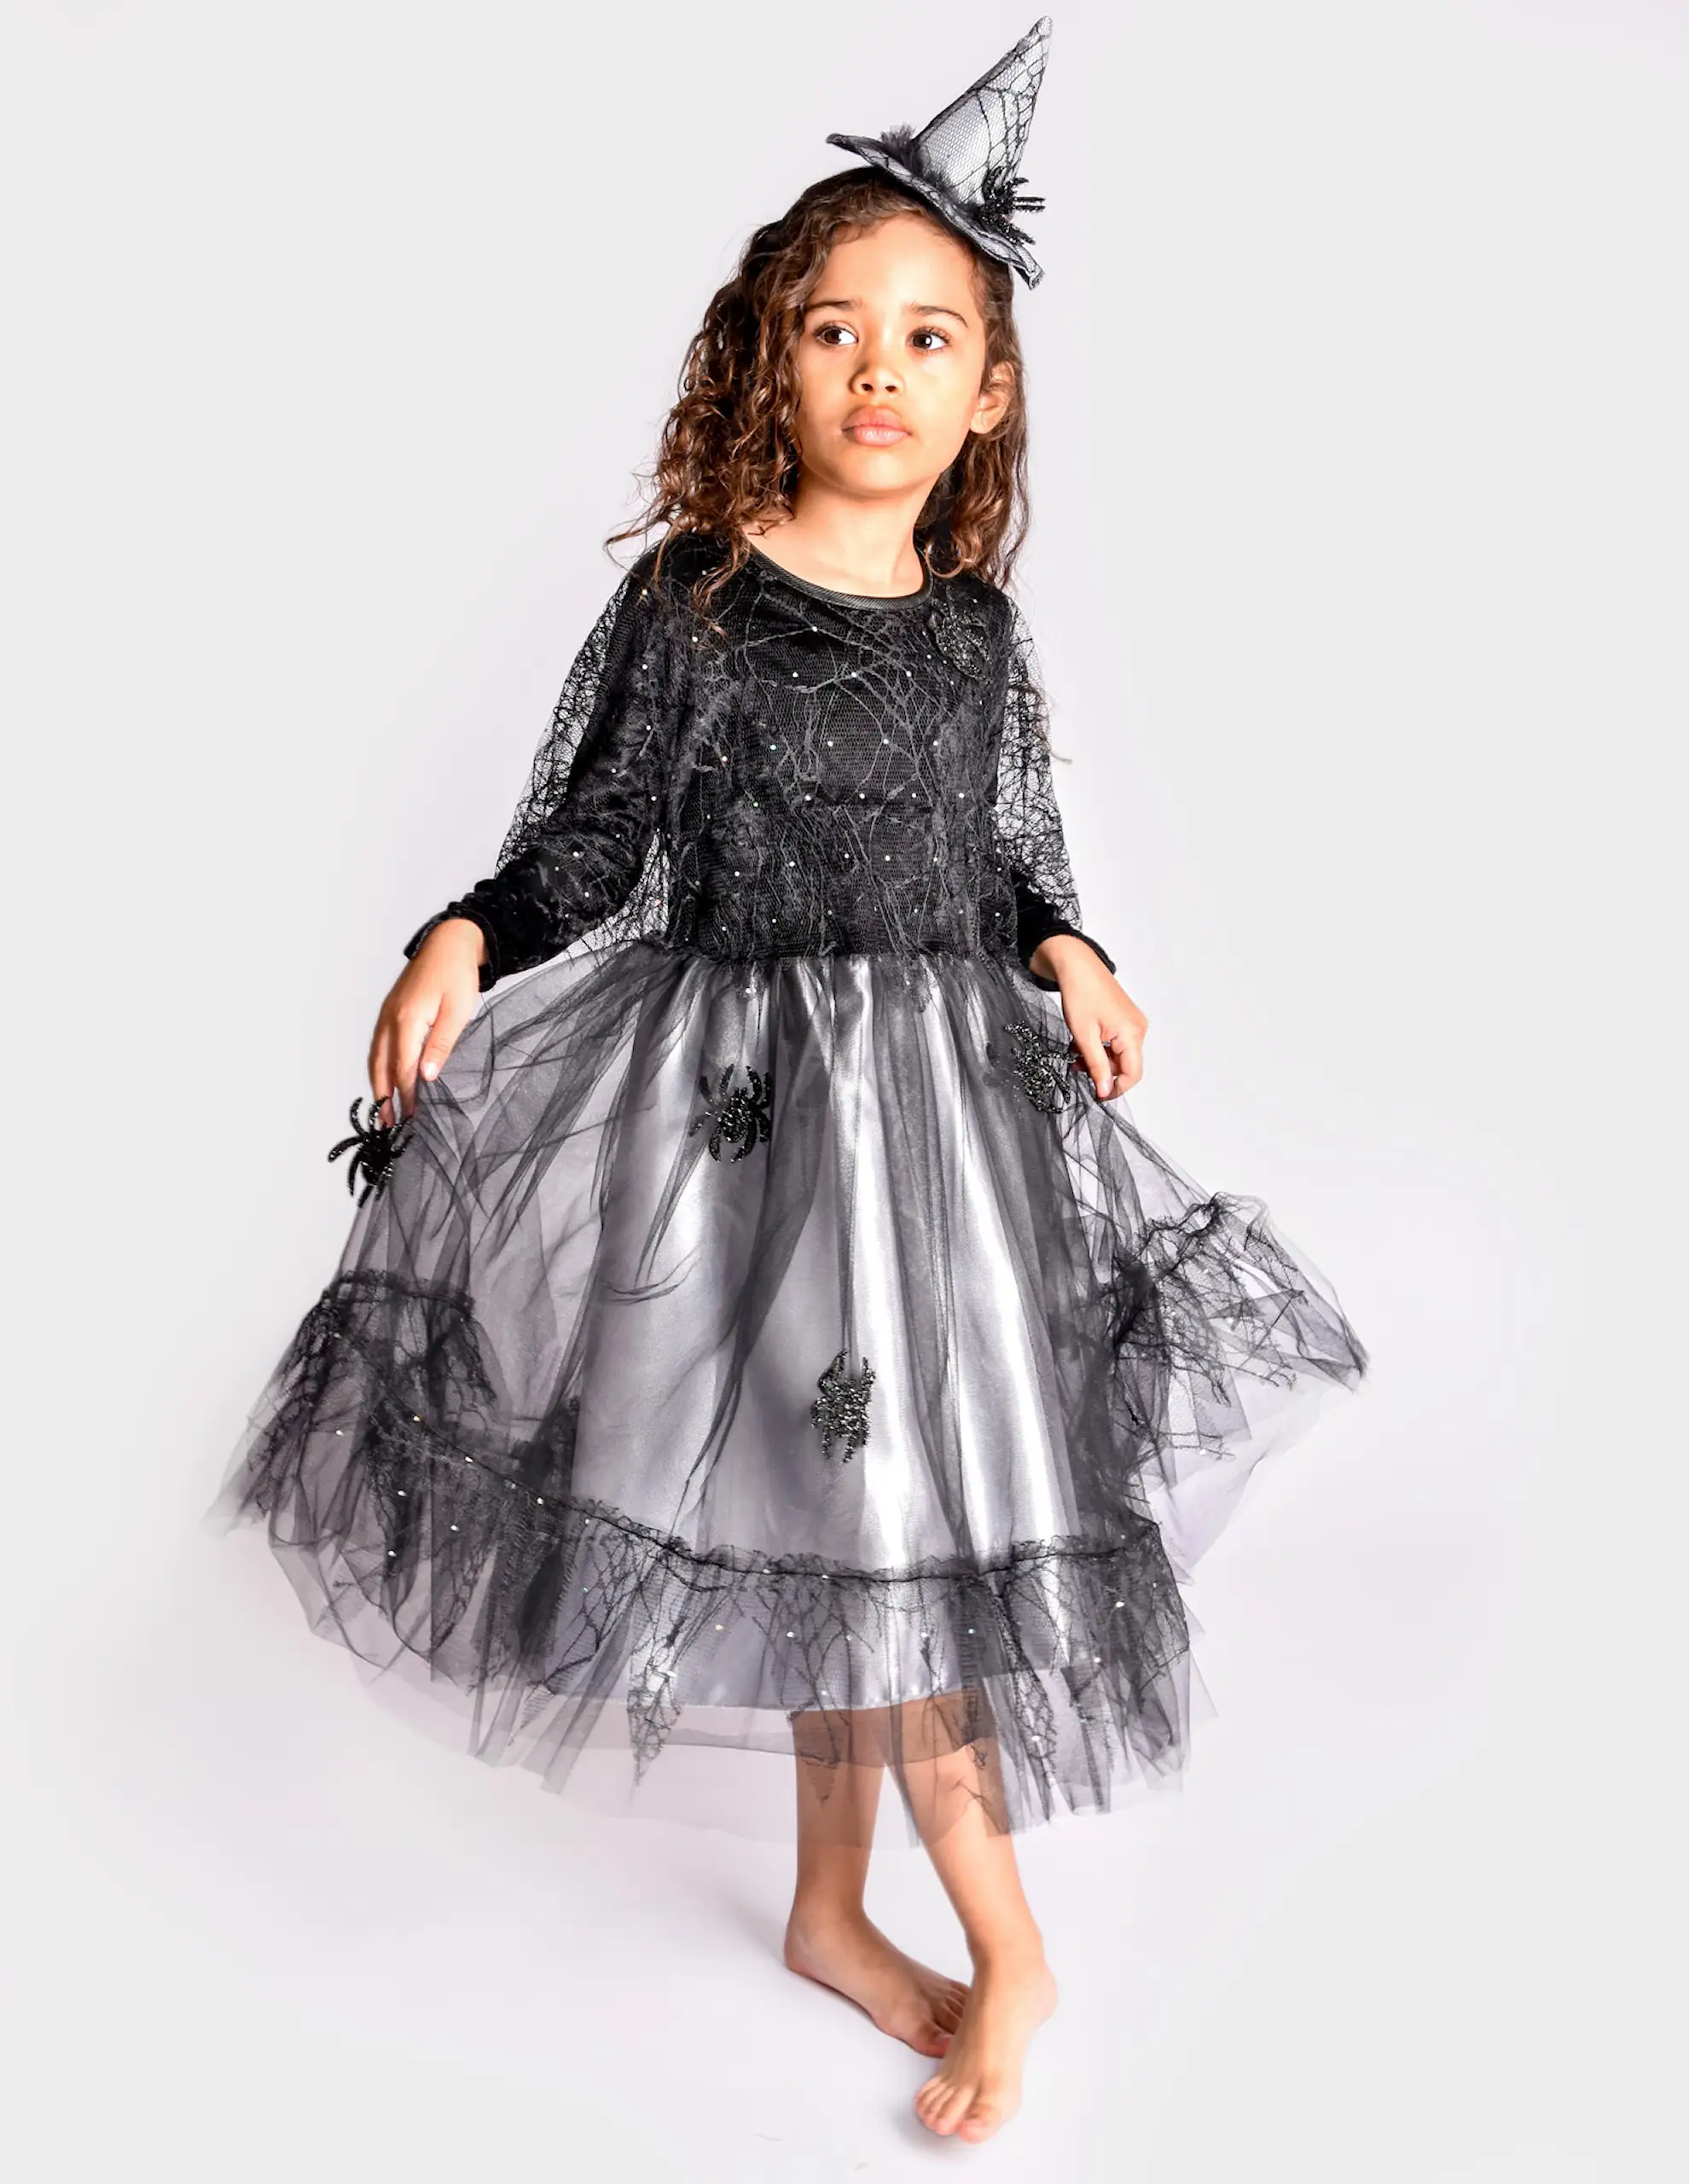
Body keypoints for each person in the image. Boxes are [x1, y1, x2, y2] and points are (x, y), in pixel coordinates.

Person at [210, 19, 1370, 2146]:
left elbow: (1003, 851)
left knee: (887, 1510)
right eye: (836, 329)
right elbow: (588, 839)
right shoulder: (698, 600)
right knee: (848, 1504)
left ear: (989, 388)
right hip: (741, 1121)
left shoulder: (975, 632)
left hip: (936, 1130)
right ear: (773, 356)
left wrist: (1067, 945)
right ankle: (984, 1941)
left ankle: (855, 1912)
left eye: (930, 337)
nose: (878, 370)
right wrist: (462, 929)